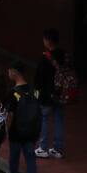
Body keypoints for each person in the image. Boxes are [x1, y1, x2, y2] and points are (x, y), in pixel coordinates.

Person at [4, 61, 41, 173]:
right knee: (30, 159)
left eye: (9, 71)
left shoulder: (13, 93)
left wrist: (8, 129)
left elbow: (10, 114)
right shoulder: (35, 90)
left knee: (14, 155)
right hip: (31, 130)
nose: (8, 73)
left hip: (17, 130)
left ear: (14, 72)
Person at [34, 28, 67, 159]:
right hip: (61, 93)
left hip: (47, 95)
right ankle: (58, 149)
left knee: (43, 119)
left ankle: (43, 147)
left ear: (48, 41)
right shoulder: (64, 55)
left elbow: (38, 80)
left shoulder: (45, 58)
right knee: (59, 119)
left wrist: (36, 96)